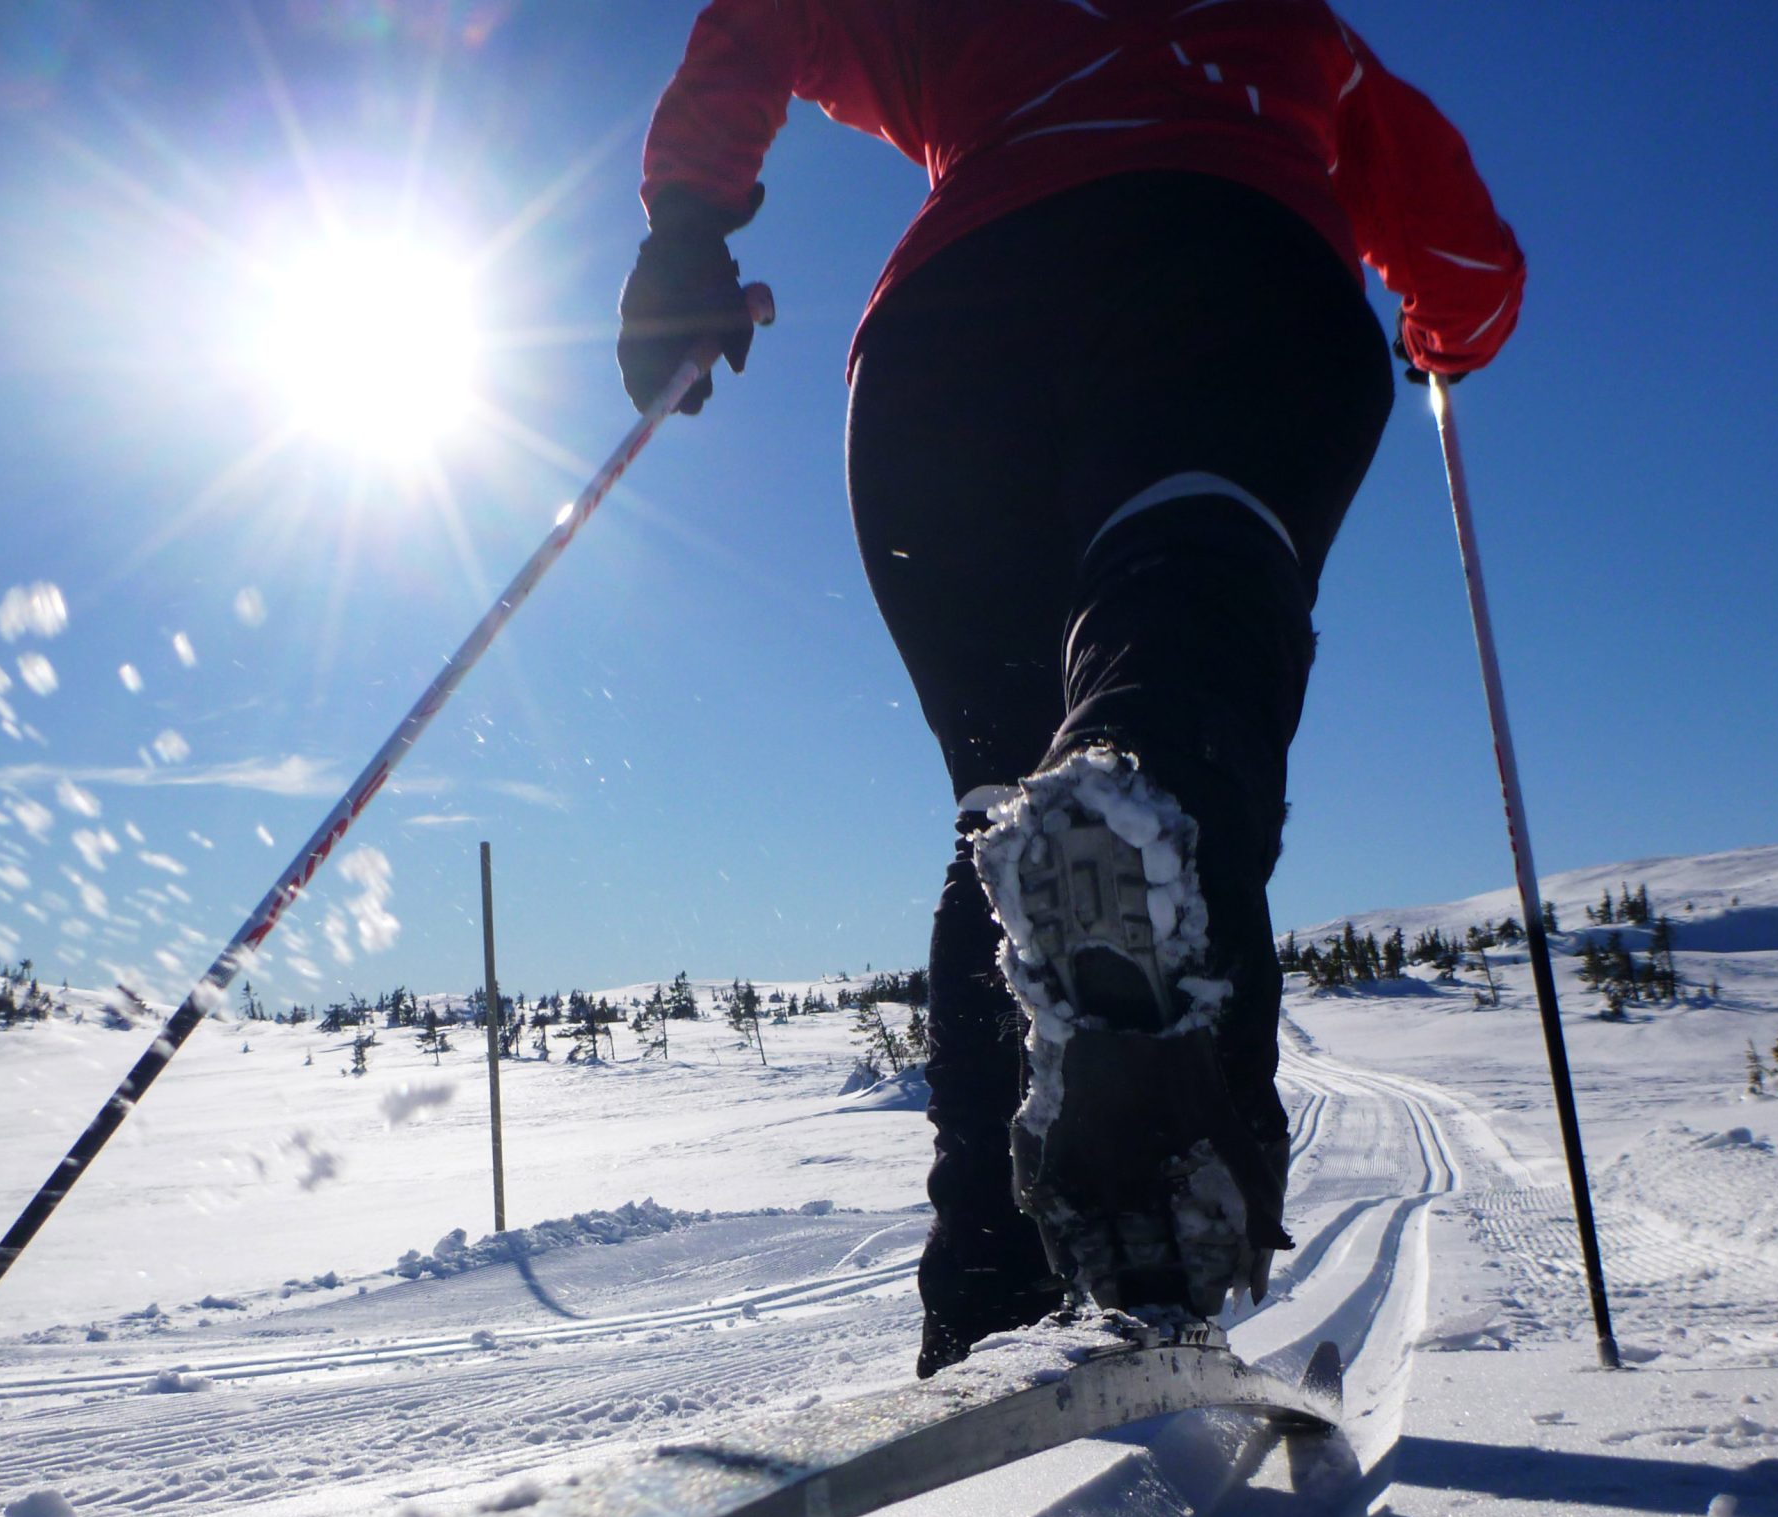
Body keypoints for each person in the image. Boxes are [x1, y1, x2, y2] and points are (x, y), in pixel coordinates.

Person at [617, 2, 1523, 1375]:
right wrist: (1449, 332)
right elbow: (1465, 253)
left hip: (951, 344)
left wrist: (685, 225)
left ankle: (989, 1282)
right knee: (1183, 621)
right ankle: (1149, 903)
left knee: (1001, 807)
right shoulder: (1294, 33)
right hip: (1234, 270)